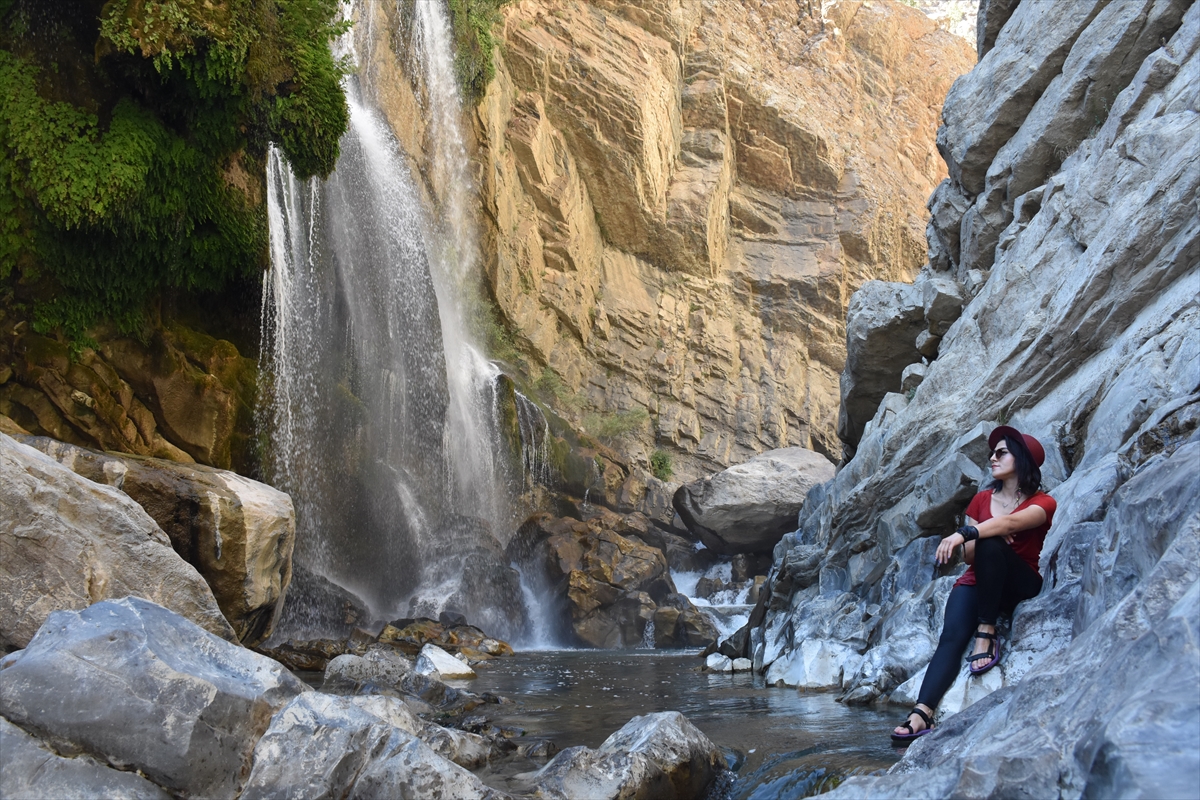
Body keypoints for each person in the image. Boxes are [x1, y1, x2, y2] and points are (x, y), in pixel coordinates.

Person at [891, 425, 1056, 742]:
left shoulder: (1043, 502)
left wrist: (976, 532)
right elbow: (969, 557)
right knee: (951, 636)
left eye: (1001, 452)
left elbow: (1005, 525)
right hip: (978, 581)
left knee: (992, 545)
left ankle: (987, 630)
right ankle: (922, 713)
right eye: (992, 453)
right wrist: (985, 533)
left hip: (1019, 583)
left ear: (1022, 460)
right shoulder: (980, 500)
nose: (992, 457)